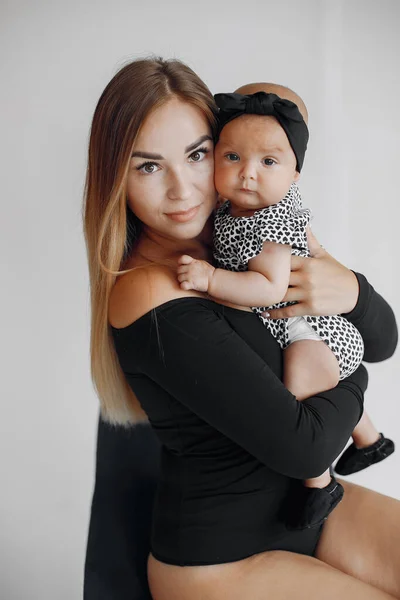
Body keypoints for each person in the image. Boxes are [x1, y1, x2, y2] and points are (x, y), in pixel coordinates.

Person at [83, 56, 400, 599]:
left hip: (309, 516)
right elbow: (305, 447)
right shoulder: (150, 290)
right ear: (116, 177)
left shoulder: (237, 244)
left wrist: (352, 291)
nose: (183, 191)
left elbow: (385, 341)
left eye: (197, 154)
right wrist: (351, 375)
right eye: (148, 166)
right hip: (222, 559)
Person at [175, 83, 395, 529]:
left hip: (307, 328)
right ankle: (369, 440)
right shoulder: (232, 207)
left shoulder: (271, 220)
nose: (247, 174)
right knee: (323, 382)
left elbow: (270, 290)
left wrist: (212, 279)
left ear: (295, 175)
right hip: (299, 321)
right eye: (232, 157)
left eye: (268, 162)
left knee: (296, 396)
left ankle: (319, 483)